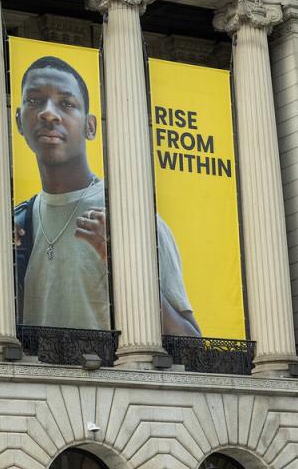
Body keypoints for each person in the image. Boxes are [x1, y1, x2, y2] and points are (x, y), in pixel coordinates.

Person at [13, 55, 201, 336]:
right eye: (35, 101)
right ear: (18, 121)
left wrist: (119, 261)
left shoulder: (130, 217)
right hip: (35, 379)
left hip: (112, 378)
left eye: (66, 103)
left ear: (90, 126)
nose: (48, 113)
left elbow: (190, 340)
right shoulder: (19, 222)